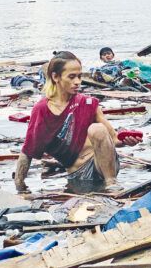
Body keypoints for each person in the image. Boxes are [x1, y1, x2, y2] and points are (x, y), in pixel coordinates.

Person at [14, 51, 141, 193]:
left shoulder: (88, 103)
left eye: (80, 76)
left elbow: (113, 139)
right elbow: (28, 151)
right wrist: (20, 185)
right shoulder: (42, 110)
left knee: (97, 128)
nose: (77, 82)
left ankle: (111, 183)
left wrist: (127, 140)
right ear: (56, 77)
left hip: (104, 166)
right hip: (79, 174)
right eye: (72, 77)